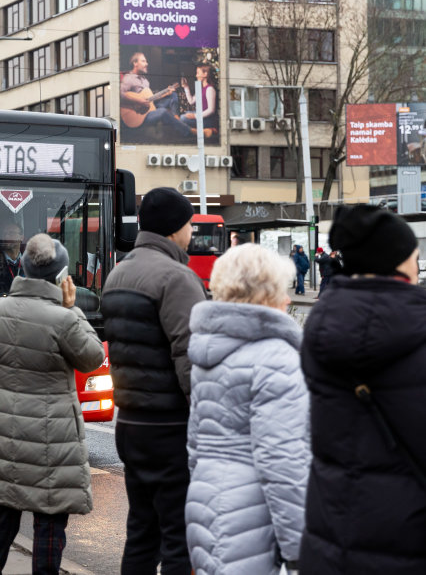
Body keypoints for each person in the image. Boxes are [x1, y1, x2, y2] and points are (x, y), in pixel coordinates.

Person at [0, 233, 105, 575]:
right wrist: (72, 308)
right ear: (60, 277)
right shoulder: (64, 318)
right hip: (53, 436)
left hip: (7, 431)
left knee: (3, 510)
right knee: (49, 518)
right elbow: (93, 358)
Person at [299, 205, 426, 573]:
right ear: (397, 263)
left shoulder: (322, 327)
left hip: (333, 531)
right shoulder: (414, 328)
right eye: (413, 258)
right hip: (407, 540)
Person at [186, 244, 310, 575]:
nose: (287, 299)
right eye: (282, 289)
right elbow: (283, 460)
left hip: (205, 501)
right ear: (268, 293)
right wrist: (301, 550)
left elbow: (195, 444)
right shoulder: (276, 358)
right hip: (252, 514)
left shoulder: (209, 352)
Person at [101, 187, 206, 575]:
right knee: (179, 537)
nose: (191, 233)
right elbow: (191, 357)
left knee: (142, 533)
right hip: (170, 429)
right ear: (175, 228)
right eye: (189, 225)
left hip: (130, 424)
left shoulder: (119, 272)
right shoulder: (176, 278)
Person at [120, 52, 199, 141]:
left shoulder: (145, 80)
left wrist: (164, 93)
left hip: (149, 108)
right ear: (135, 63)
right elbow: (120, 95)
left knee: (172, 95)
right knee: (162, 112)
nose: (147, 64)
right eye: (143, 61)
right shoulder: (129, 78)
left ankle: (176, 117)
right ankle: (189, 131)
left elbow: (150, 98)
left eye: (146, 61)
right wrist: (139, 101)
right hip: (137, 117)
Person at [180, 63, 219, 132]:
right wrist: (186, 87)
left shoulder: (210, 89)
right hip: (200, 115)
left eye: (198, 73)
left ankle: (205, 130)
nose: (196, 75)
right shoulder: (200, 88)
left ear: (205, 74)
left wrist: (195, 116)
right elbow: (191, 101)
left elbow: (211, 110)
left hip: (207, 120)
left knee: (183, 118)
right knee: (185, 114)